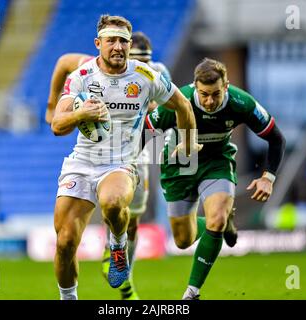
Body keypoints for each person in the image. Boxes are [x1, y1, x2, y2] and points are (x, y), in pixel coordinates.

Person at [51, 14, 200, 300]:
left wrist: (188, 143)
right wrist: (82, 113)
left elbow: (183, 105)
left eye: (123, 41)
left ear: (130, 45)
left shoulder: (145, 76)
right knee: (66, 241)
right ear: (98, 43)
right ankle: (68, 297)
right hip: (81, 163)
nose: (118, 47)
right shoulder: (81, 77)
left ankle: (118, 245)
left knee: (112, 200)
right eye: (111, 41)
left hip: (120, 162)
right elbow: (58, 125)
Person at [145, 58, 286, 299]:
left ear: (226, 86)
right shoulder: (180, 100)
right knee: (182, 240)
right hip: (181, 165)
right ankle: (216, 224)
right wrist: (150, 159)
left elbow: (276, 138)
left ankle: (192, 292)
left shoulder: (242, 103)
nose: (209, 101)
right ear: (195, 87)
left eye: (216, 94)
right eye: (204, 94)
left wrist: (268, 177)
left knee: (217, 218)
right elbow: (147, 131)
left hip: (217, 162)